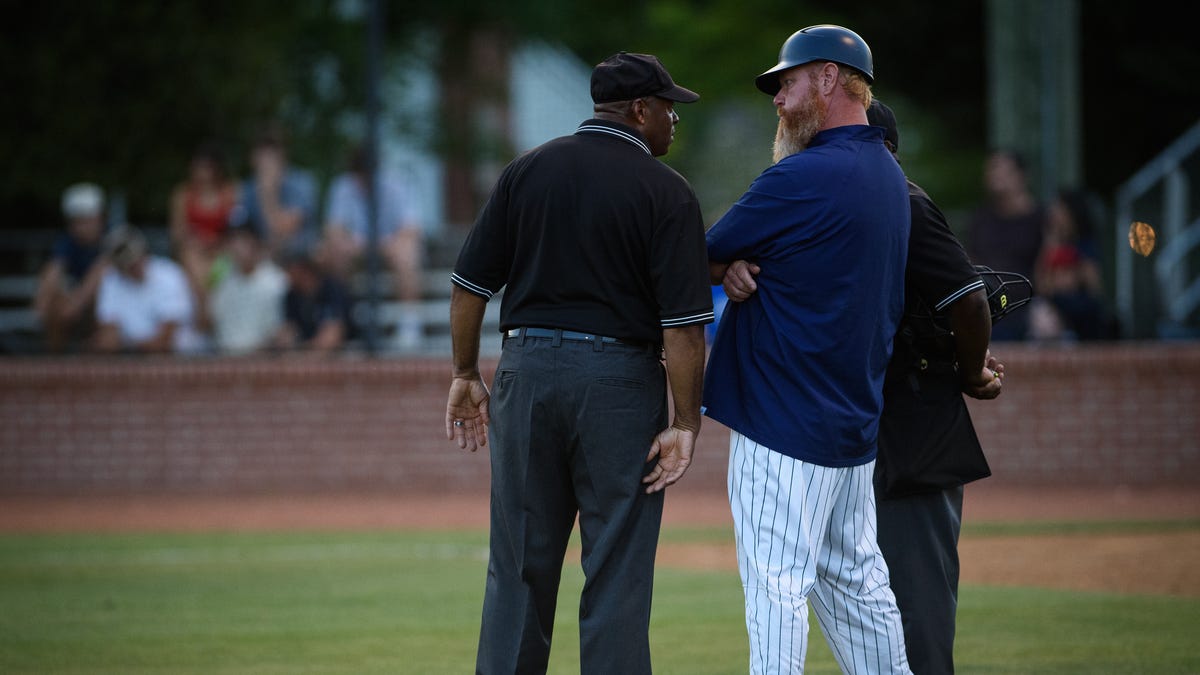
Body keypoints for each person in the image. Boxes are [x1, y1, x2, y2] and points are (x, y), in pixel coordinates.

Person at [444, 52, 712, 674]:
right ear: (640, 110)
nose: (675, 120)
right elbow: (683, 329)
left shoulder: (527, 171)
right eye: (669, 108)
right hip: (619, 385)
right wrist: (686, 422)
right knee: (615, 570)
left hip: (527, 371)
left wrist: (464, 373)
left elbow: (468, 286)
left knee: (517, 568)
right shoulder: (666, 191)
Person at [703, 26, 913, 674]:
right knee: (858, 586)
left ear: (827, 78)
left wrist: (723, 266)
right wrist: (730, 266)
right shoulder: (888, 174)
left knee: (776, 588)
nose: (778, 99)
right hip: (851, 425)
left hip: (785, 422)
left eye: (787, 82)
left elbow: (692, 254)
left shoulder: (803, 176)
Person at [866, 99, 1003, 674]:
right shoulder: (855, 203)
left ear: (883, 147)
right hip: (876, 424)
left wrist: (971, 371)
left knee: (916, 601)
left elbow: (969, 300)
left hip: (919, 423)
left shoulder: (906, 202)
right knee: (872, 602)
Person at [321, 144, 427, 351]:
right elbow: (332, 230)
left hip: (389, 249)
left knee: (407, 253)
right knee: (331, 251)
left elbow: (412, 228)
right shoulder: (343, 186)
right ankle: (340, 318)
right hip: (358, 253)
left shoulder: (395, 184)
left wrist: (384, 243)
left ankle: (409, 323)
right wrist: (352, 243)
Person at [965, 149, 1047, 341]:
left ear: (1021, 175)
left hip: (1030, 304)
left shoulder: (1040, 219)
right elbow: (970, 262)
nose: (994, 175)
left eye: (1001, 169)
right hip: (989, 303)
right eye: (991, 169)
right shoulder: (981, 219)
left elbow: (1048, 264)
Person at [92, 225, 208, 355]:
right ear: (118, 267)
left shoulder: (169, 274)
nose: (136, 265)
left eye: (137, 258)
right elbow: (108, 341)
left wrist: (127, 344)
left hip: (179, 360)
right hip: (130, 361)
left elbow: (164, 342)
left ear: (144, 252)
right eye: (129, 264)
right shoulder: (111, 280)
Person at [1029, 188, 1113, 341]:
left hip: (1079, 309)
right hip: (1054, 308)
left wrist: (1070, 278)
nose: (1054, 214)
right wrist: (1051, 243)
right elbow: (1041, 285)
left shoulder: (1085, 245)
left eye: (1059, 209)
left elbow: (1093, 287)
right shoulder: (1050, 241)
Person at [33, 183, 110, 352]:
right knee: (54, 302)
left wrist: (76, 303)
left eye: (87, 220)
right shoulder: (68, 243)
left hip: (107, 308)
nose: (82, 227)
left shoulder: (112, 239)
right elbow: (54, 270)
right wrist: (44, 298)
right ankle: (53, 358)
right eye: (77, 221)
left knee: (100, 276)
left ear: (100, 218)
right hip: (82, 307)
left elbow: (99, 273)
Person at [168, 140, 240, 315]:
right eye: (197, 167)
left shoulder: (231, 192)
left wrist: (214, 243)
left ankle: (205, 310)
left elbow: (237, 229)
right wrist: (198, 242)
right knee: (191, 257)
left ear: (216, 169)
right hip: (195, 253)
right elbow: (177, 235)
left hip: (223, 252)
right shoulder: (182, 195)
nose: (201, 173)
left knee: (224, 258)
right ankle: (205, 308)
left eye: (206, 167)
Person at [236, 123, 319, 261]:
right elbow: (241, 233)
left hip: (300, 260)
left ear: (284, 156)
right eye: (262, 151)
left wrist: (268, 192)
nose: (267, 159)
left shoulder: (303, 182)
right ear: (253, 158)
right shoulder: (246, 189)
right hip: (261, 260)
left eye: (273, 151)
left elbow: (283, 231)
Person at [208, 224, 287, 355]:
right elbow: (209, 324)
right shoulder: (222, 282)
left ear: (256, 244)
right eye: (232, 242)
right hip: (224, 362)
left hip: (263, 363)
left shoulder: (278, 281)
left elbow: (279, 332)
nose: (236, 248)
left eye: (242, 241)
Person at [270, 248, 352, 355]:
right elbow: (288, 331)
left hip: (340, 357)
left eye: (291, 268)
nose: (287, 274)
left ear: (304, 270)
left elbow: (333, 334)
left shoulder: (332, 289)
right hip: (305, 355)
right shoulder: (292, 295)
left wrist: (306, 356)